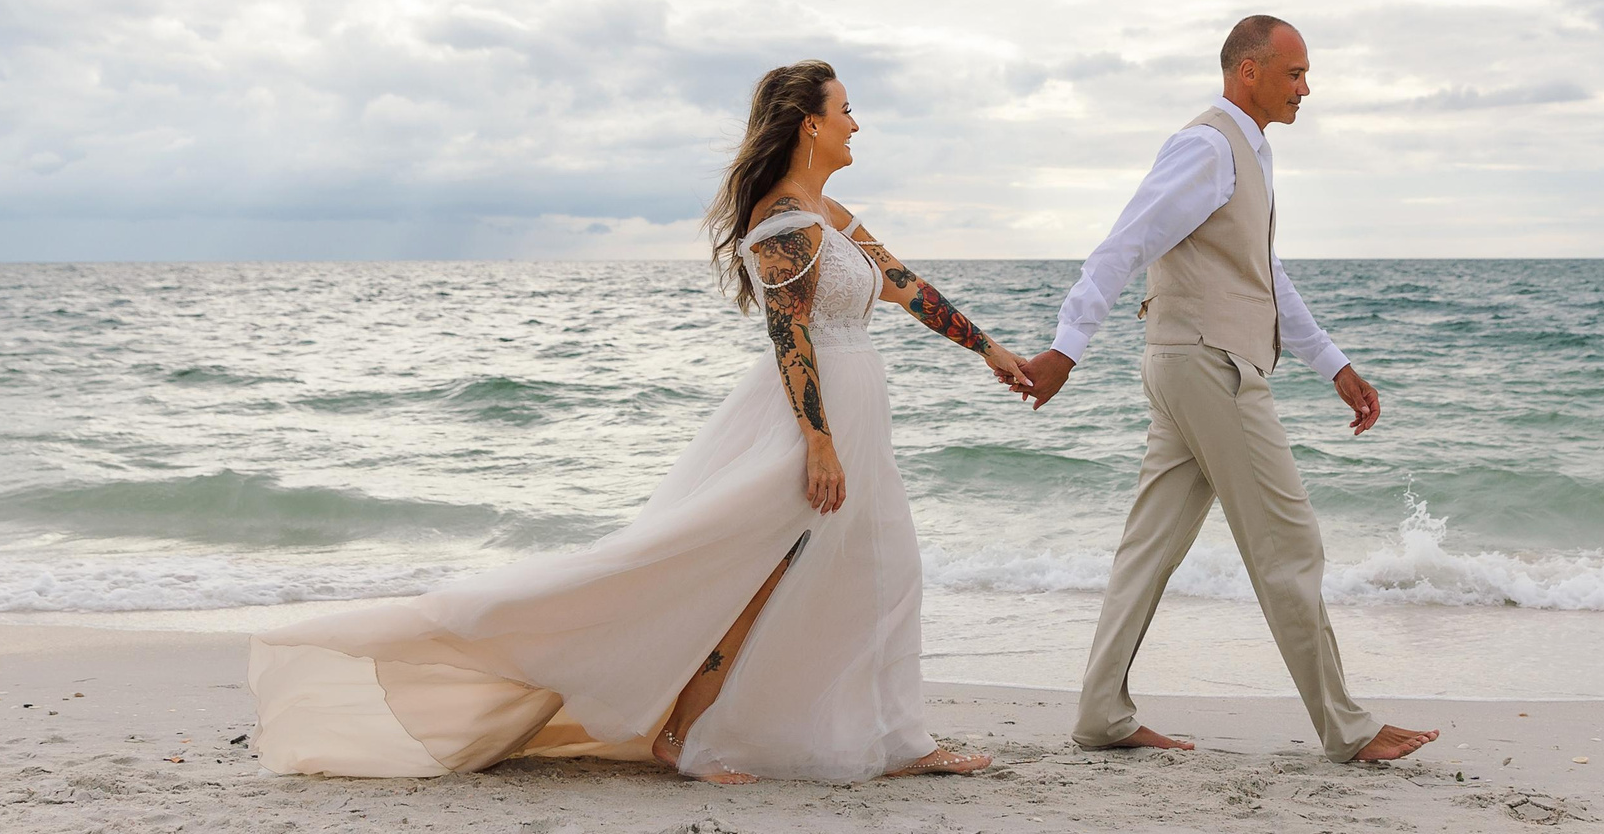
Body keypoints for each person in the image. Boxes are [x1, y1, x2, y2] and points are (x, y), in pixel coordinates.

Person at [248, 60, 1028, 783]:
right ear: (810, 124)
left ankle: (899, 740)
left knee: (884, 567)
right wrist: (818, 443)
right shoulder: (784, 224)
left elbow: (905, 285)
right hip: (809, 417)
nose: (856, 124)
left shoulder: (832, 215)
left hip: (857, 408)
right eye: (847, 110)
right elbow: (788, 336)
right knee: (762, 569)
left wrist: (990, 349)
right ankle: (680, 730)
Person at [1020, 16, 1439, 764]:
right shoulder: (1208, 146)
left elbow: (1263, 274)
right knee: (1289, 543)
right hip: (1212, 366)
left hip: (1189, 363)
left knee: (1148, 548)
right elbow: (1126, 241)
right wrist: (1067, 346)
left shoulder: (1249, 153)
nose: (1305, 88)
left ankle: (1101, 712)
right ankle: (1347, 728)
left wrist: (1333, 363)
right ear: (1249, 71)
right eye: (1294, 73)